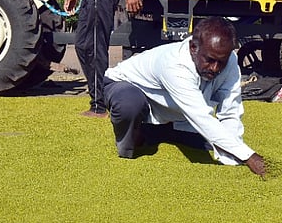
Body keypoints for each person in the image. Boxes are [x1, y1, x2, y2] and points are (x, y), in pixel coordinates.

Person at [103, 17, 267, 177]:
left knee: (213, 143)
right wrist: (249, 156)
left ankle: (157, 131)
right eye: (209, 60)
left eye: (221, 62)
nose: (215, 68)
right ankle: (130, 144)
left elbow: (230, 110)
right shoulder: (174, 65)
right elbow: (201, 117)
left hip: (172, 110)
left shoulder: (230, 61)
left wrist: (235, 155)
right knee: (129, 105)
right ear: (193, 48)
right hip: (126, 87)